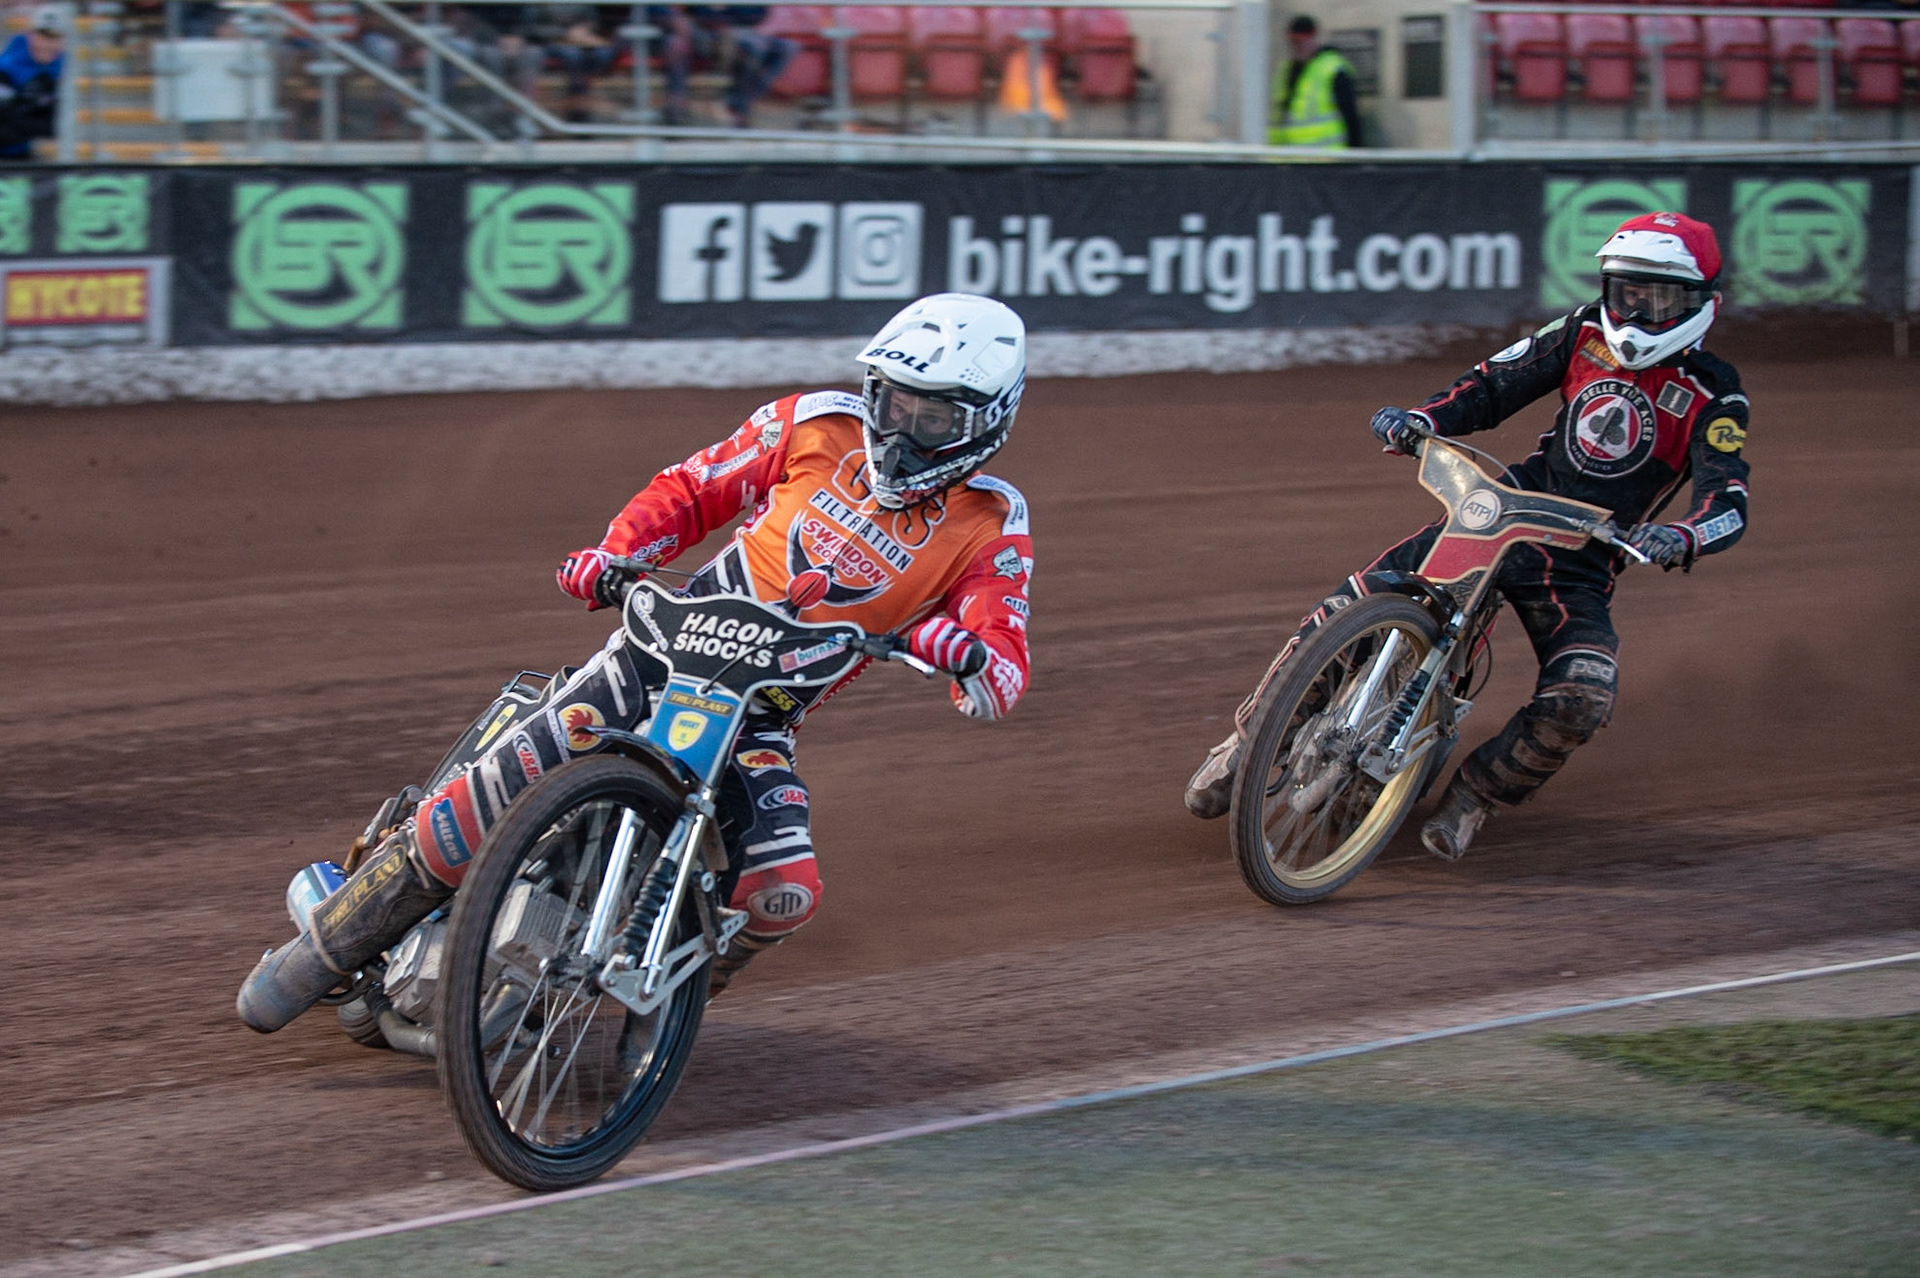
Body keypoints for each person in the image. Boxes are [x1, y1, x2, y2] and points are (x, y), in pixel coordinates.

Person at [238, 293, 1035, 1031]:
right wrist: (614, 556)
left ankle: (667, 1014)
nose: (901, 431)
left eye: (933, 418)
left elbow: (1005, 667)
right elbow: (692, 490)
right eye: (894, 402)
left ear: (988, 421)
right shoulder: (810, 424)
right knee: (473, 812)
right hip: (656, 656)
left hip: (760, 720)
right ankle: (314, 955)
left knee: (780, 896)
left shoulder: (992, 523)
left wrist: (963, 654)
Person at [1185, 212, 1751, 861]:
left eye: (1660, 296)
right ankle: (1250, 747)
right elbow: (1491, 386)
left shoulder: (1716, 394)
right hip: (1499, 511)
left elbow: (1726, 498)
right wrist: (1422, 418)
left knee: (1583, 695)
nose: (1640, 308)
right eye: (1628, 291)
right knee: (1350, 608)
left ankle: (1476, 797)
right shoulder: (1581, 333)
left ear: (1704, 302)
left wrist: (1682, 536)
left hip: (1580, 558)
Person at [1269, 14, 1359, 149]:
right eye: (1294, 43)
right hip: (1287, 157)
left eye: (1301, 42)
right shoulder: (1286, 70)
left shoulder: (1332, 68)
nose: (1297, 47)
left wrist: (1354, 157)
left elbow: (1350, 117)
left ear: (1313, 37)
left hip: (1324, 157)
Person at [0, 5, 64, 162]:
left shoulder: (61, 68)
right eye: (44, 36)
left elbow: (54, 124)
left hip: (23, 152)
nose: (48, 44)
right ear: (31, 35)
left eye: (55, 38)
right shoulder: (6, 68)